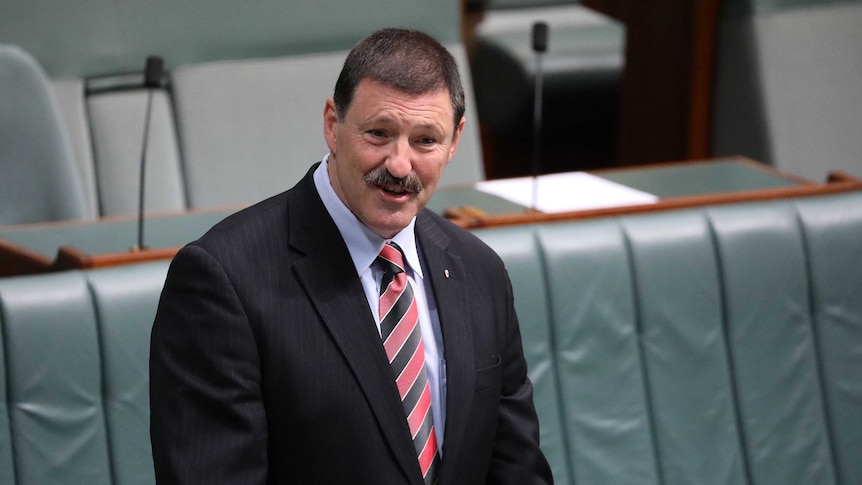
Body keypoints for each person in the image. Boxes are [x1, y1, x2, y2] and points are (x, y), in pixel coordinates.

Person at [149, 28, 553, 485]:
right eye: (379, 133)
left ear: (456, 139)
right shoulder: (223, 281)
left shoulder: (480, 271)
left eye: (425, 141)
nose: (400, 165)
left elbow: (517, 469)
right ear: (332, 125)